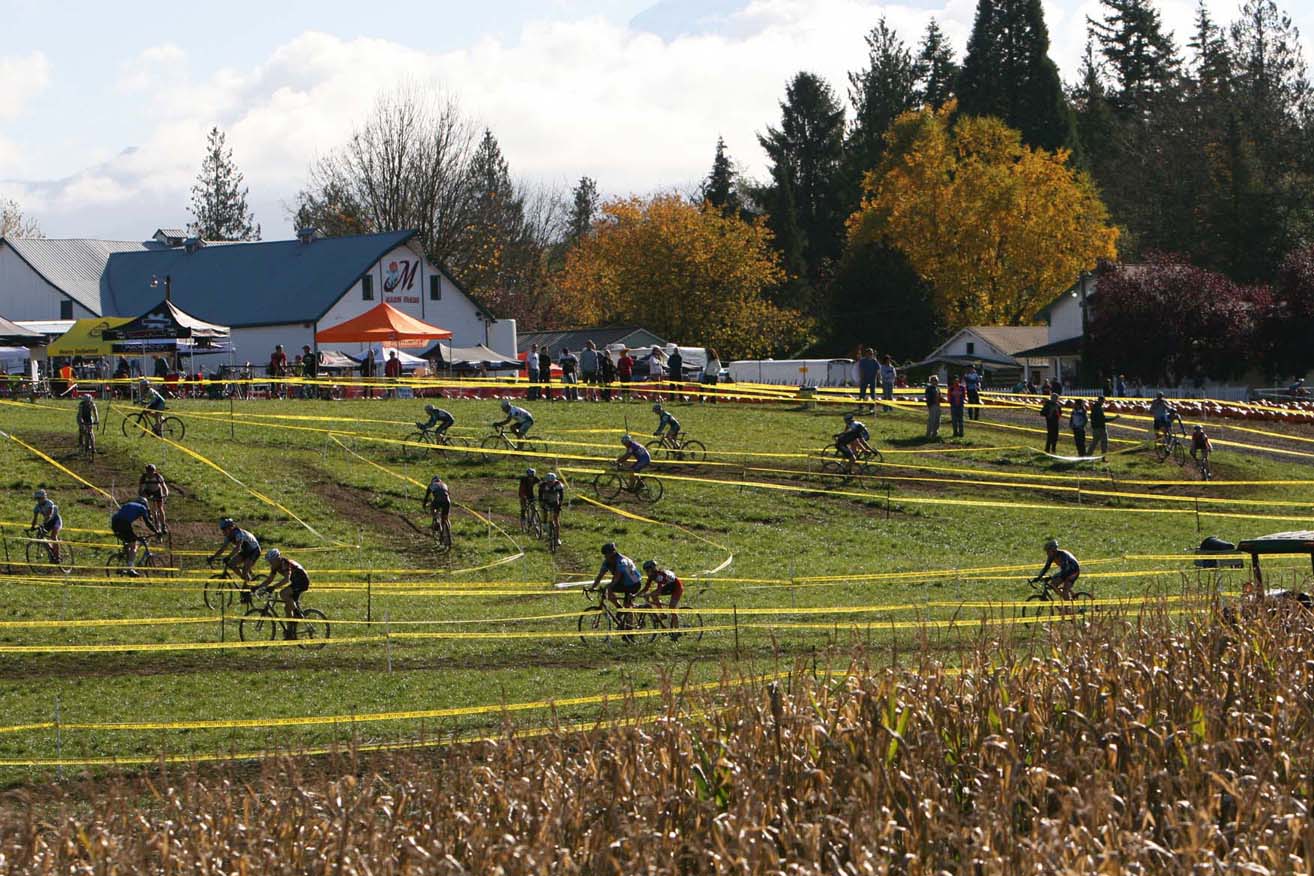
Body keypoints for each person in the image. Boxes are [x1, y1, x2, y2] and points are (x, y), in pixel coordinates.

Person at [256, 549, 311, 640]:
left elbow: (286, 579)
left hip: (302, 581)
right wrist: (258, 587)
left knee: (283, 593)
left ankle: (297, 613)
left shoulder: (285, 563)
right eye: (269, 561)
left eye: (271, 561)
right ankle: (290, 634)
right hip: (296, 581)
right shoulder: (275, 566)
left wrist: (273, 587)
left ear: (277, 559)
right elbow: (269, 580)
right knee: (287, 608)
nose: (270, 563)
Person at [111, 497, 159, 577]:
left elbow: (123, 515)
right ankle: (130, 569)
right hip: (124, 523)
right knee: (133, 545)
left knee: (128, 541)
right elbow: (147, 522)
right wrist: (156, 531)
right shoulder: (142, 508)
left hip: (114, 523)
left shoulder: (129, 504)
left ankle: (124, 559)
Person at [591, 542, 643, 612]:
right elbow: (600, 576)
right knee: (609, 590)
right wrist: (593, 587)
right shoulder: (606, 562)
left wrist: (609, 585)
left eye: (607, 554)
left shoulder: (622, 561)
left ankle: (631, 620)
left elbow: (617, 576)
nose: (605, 556)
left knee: (627, 606)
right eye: (605, 554)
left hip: (634, 583)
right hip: (624, 583)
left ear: (613, 552)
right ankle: (620, 608)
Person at [209, 517, 261, 584]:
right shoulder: (228, 536)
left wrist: (229, 557)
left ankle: (249, 587)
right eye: (222, 529)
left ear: (230, 528)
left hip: (254, 550)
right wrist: (213, 557)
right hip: (246, 551)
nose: (223, 531)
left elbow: (238, 548)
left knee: (245, 571)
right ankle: (247, 580)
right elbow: (222, 548)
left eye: (224, 529)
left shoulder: (238, 533)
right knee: (231, 564)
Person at [639, 559, 684, 631]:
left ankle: (677, 630)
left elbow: (659, 590)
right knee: (653, 595)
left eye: (647, 571)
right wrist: (636, 595)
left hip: (677, 587)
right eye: (645, 571)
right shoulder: (652, 576)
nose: (647, 573)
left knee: (672, 608)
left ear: (653, 569)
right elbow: (646, 588)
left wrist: (648, 594)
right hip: (668, 586)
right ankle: (662, 614)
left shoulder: (660, 575)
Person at [30, 488, 63, 564]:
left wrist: (43, 523)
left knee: (53, 536)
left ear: (44, 497)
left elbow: (49, 515)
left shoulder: (49, 503)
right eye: (37, 499)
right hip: (47, 522)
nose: (38, 500)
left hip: (55, 520)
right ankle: (51, 550)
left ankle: (57, 556)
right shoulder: (37, 507)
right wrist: (32, 527)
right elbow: (35, 518)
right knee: (39, 536)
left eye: (40, 498)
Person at [138, 463, 170, 533]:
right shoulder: (143, 477)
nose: (149, 473)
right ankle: (151, 515)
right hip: (148, 491)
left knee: (160, 508)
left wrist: (166, 493)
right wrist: (144, 496)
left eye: (151, 471)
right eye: (148, 471)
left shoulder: (158, 476)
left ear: (154, 471)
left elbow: (164, 487)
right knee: (153, 509)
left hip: (157, 491)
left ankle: (163, 525)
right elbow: (140, 490)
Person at [924, 375, 942, 440]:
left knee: (938, 420)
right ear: (931, 381)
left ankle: (935, 434)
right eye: (934, 380)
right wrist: (930, 404)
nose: (935, 382)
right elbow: (927, 397)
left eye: (936, 380)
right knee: (931, 420)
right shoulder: (929, 388)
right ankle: (928, 434)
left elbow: (940, 396)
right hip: (932, 405)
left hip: (938, 405)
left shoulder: (938, 388)